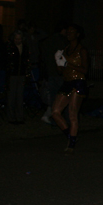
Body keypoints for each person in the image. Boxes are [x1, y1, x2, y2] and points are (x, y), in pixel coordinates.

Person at [51, 25, 89, 154]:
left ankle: (71, 144)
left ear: (78, 34)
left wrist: (69, 64)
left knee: (72, 114)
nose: (69, 34)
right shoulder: (65, 49)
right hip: (67, 82)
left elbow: (85, 70)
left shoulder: (81, 50)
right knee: (55, 112)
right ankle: (71, 136)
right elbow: (60, 71)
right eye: (68, 32)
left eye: (72, 32)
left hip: (78, 82)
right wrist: (58, 62)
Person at [39, 23, 69, 124]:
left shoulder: (48, 41)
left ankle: (54, 118)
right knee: (63, 98)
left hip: (50, 73)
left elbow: (43, 57)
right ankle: (61, 119)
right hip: (59, 73)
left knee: (53, 99)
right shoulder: (63, 41)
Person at [5, 29, 30, 124]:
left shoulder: (25, 47)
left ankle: (20, 117)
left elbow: (26, 60)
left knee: (20, 96)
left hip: (22, 74)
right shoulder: (9, 47)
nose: (17, 41)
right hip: (12, 75)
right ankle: (11, 117)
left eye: (19, 39)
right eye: (16, 39)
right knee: (11, 96)